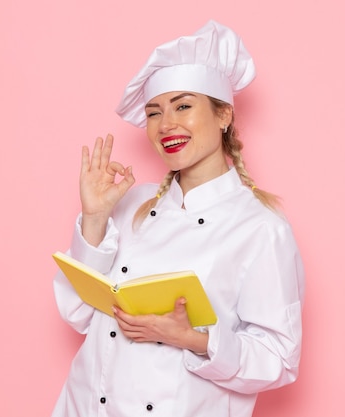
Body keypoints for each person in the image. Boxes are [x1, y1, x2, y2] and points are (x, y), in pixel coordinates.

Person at [52, 20, 305, 417]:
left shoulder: (261, 228)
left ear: (224, 116)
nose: (166, 124)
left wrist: (196, 339)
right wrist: (95, 217)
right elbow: (77, 314)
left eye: (183, 106)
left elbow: (278, 359)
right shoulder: (130, 201)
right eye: (154, 113)